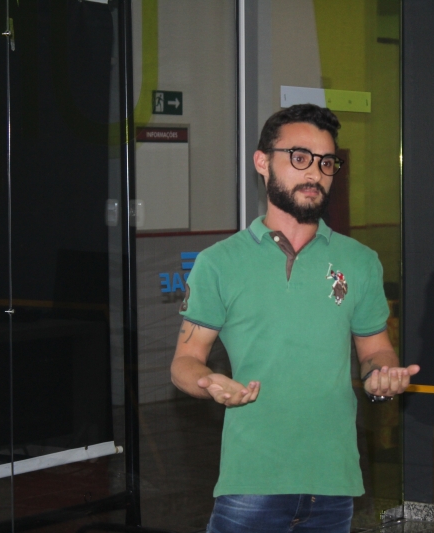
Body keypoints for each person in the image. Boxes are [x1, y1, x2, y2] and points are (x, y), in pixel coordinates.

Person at [170, 104, 419, 532]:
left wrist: (382, 375)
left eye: (326, 163)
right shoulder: (219, 263)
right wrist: (209, 382)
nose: (315, 173)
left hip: (334, 483)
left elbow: (376, 350)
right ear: (262, 162)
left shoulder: (359, 261)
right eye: (300, 158)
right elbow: (184, 362)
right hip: (251, 483)